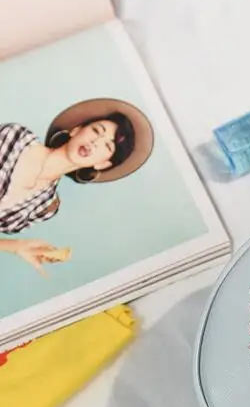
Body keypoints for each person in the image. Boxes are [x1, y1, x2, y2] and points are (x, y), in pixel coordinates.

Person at [0, 97, 154, 274]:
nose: (95, 142)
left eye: (107, 145)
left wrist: (18, 247)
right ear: (76, 130)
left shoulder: (46, 207)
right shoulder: (15, 138)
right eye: (96, 130)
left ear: (102, 164)